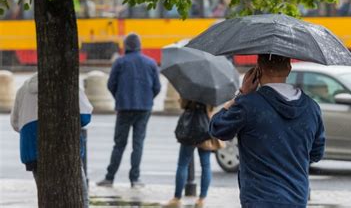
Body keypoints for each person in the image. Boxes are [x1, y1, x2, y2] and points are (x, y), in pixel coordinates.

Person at [209, 54, 326, 208]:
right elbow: (316, 153)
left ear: (259, 69)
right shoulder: (312, 108)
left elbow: (217, 128)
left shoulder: (248, 105)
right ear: (289, 68)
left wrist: (242, 94)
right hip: (296, 197)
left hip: (259, 197)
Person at [10, 73, 93, 207]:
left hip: (32, 148)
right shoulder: (68, 82)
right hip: (64, 147)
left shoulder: (24, 88)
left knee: (47, 197)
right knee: (80, 197)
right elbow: (84, 117)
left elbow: (15, 123)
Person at [97, 33, 161, 188]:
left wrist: (119, 98)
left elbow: (111, 84)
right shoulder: (151, 63)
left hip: (124, 107)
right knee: (138, 144)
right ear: (140, 45)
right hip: (144, 108)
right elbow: (157, 87)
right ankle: (135, 179)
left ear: (126, 46)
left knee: (119, 144)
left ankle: (109, 177)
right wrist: (147, 99)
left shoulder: (120, 62)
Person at [167, 99, 221, 208]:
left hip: (189, 128)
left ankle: (177, 198)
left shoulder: (189, 89)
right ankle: (201, 199)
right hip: (204, 127)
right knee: (206, 165)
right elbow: (213, 107)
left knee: (182, 164)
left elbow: (183, 104)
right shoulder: (210, 89)